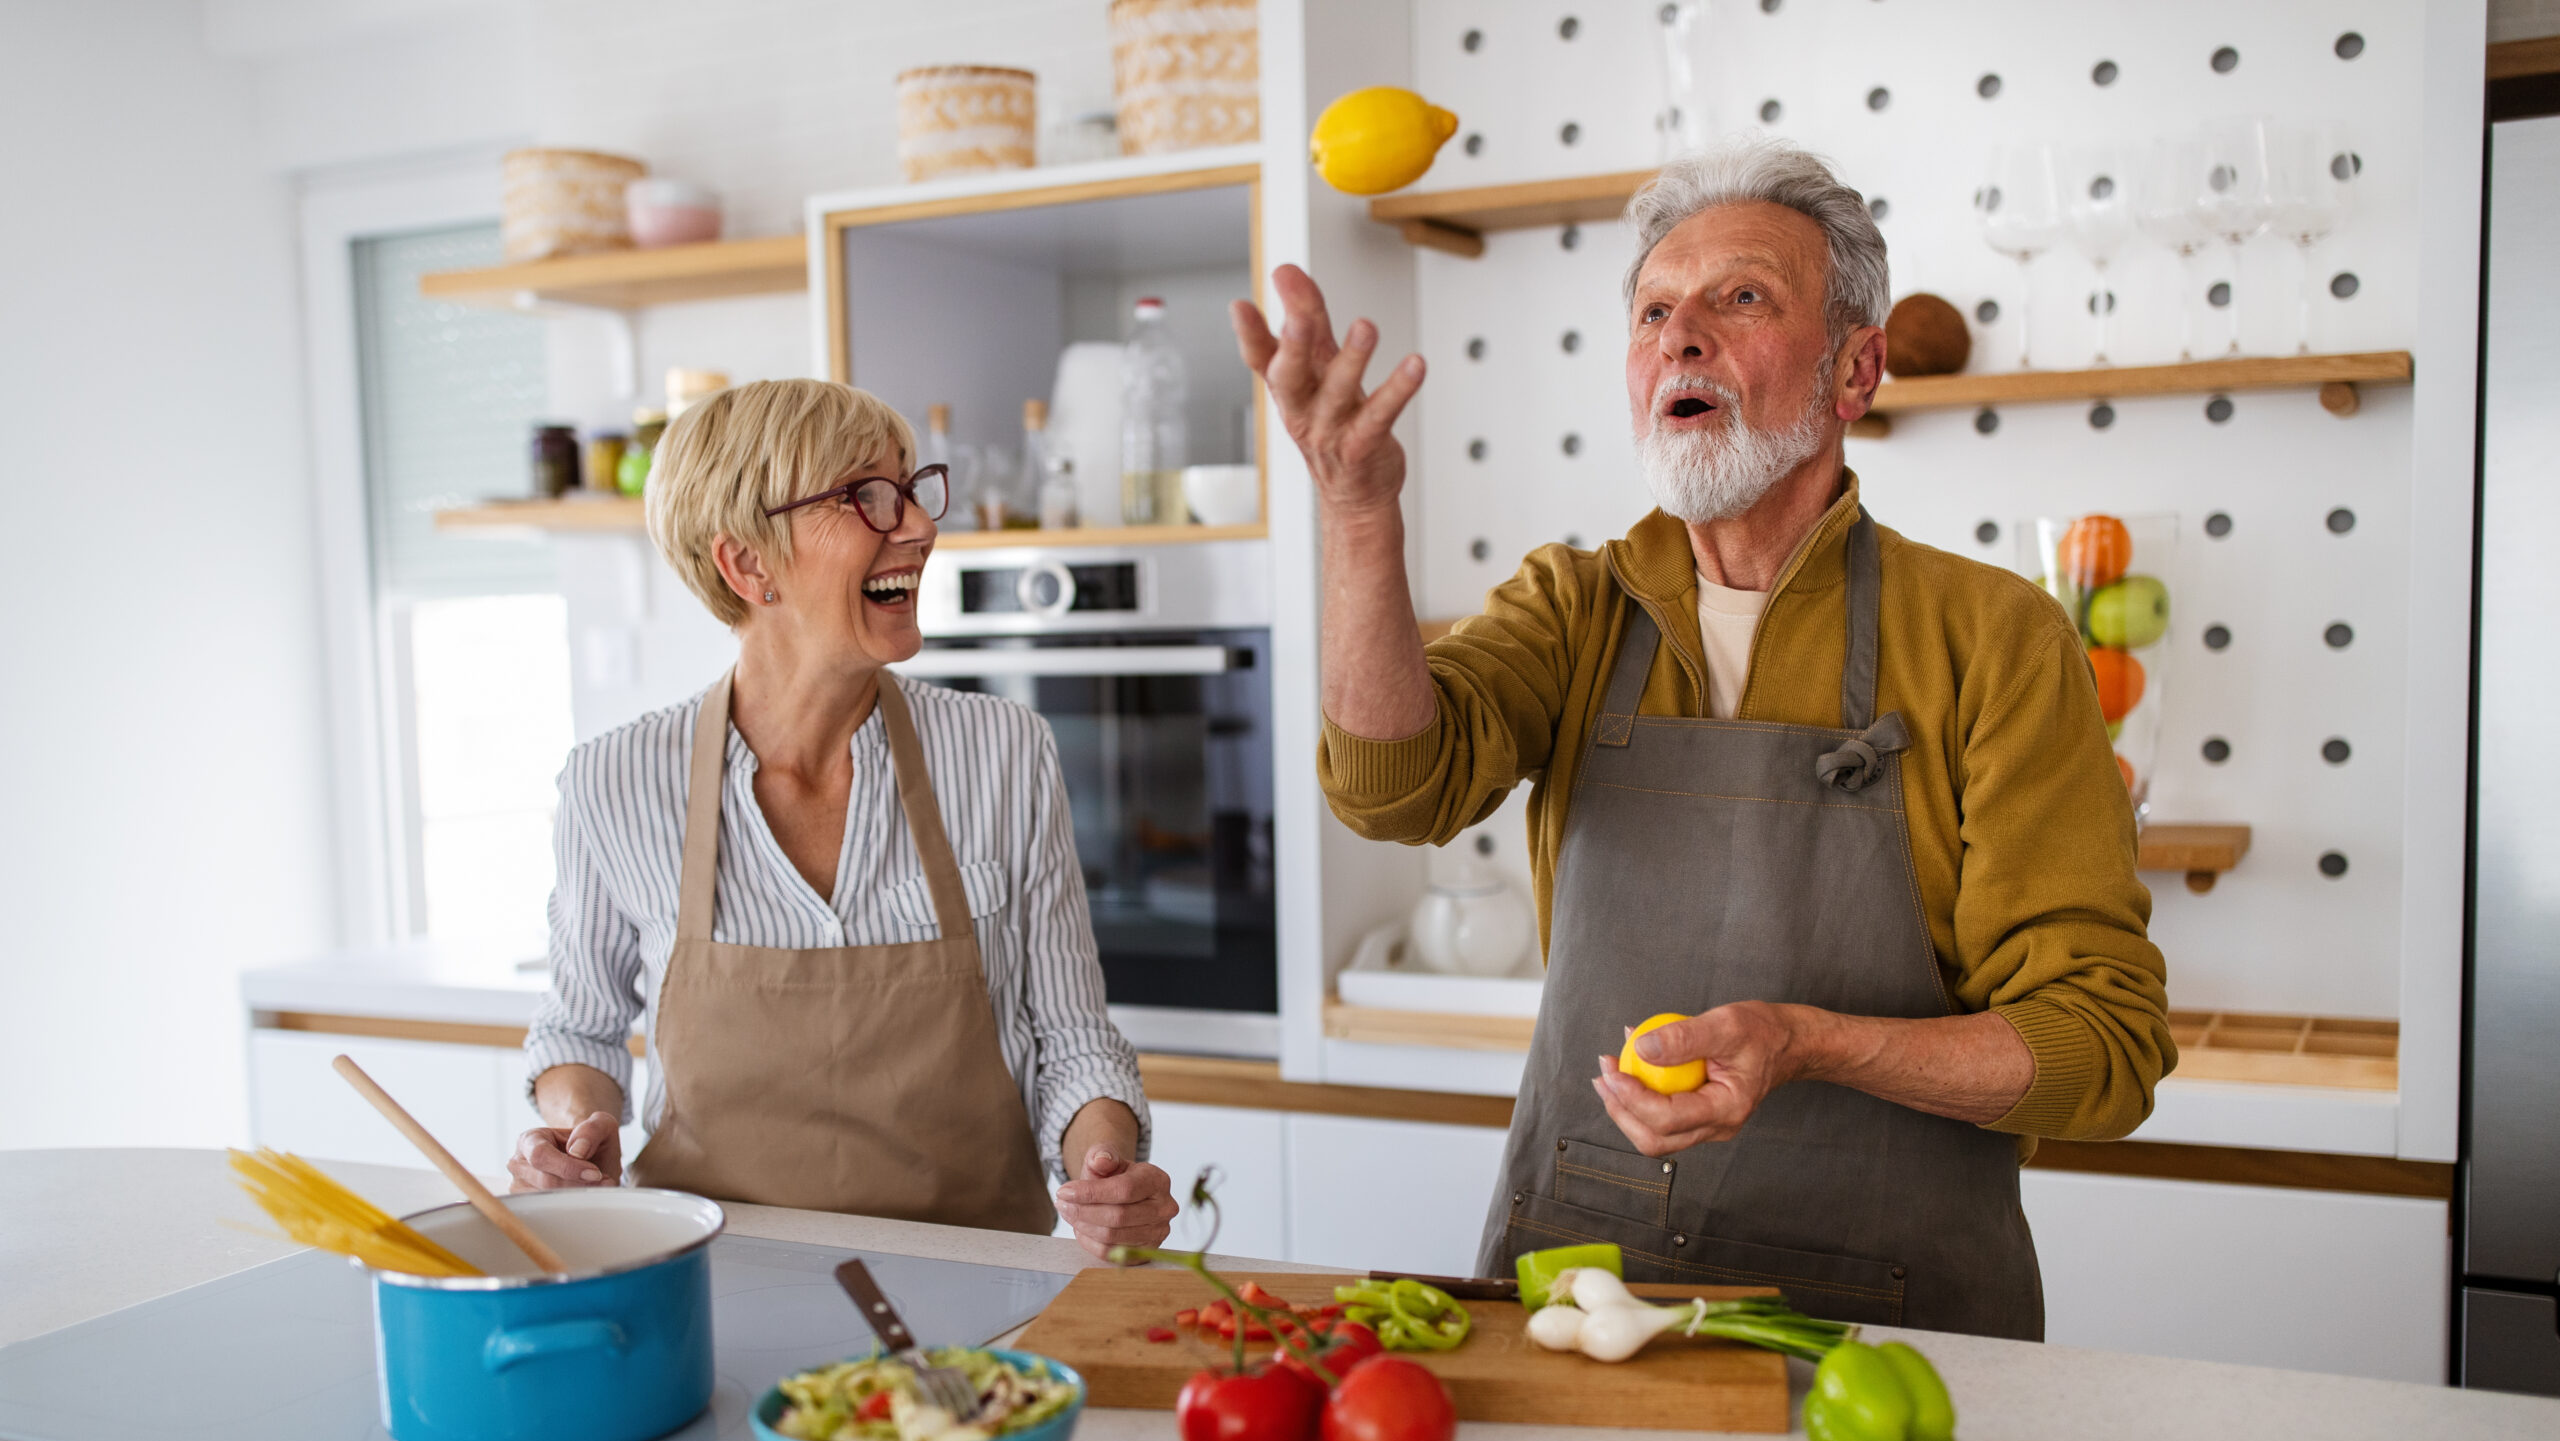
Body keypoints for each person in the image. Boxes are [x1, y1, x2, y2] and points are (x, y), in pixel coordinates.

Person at [1232, 139, 2174, 1338]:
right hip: (1586, 1291)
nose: (1681, 337)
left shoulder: (1994, 637)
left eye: (1741, 299)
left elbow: (2101, 1046)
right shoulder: (1573, 607)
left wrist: (1800, 1042)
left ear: (1855, 370)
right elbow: (1392, 790)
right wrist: (1360, 517)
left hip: (1894, 1321)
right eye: (1655, 311)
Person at [512, 378, 1176, 1258]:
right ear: (748, 565)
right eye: (866, 497)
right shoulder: (614, 780)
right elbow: (580, 1030)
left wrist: (1105, 1166)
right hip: (712, 1278)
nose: (918, 525)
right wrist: (571, 1130)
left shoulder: (1003, 751)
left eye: (908, 488)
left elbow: (1073, 1038)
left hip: (977, 1289)